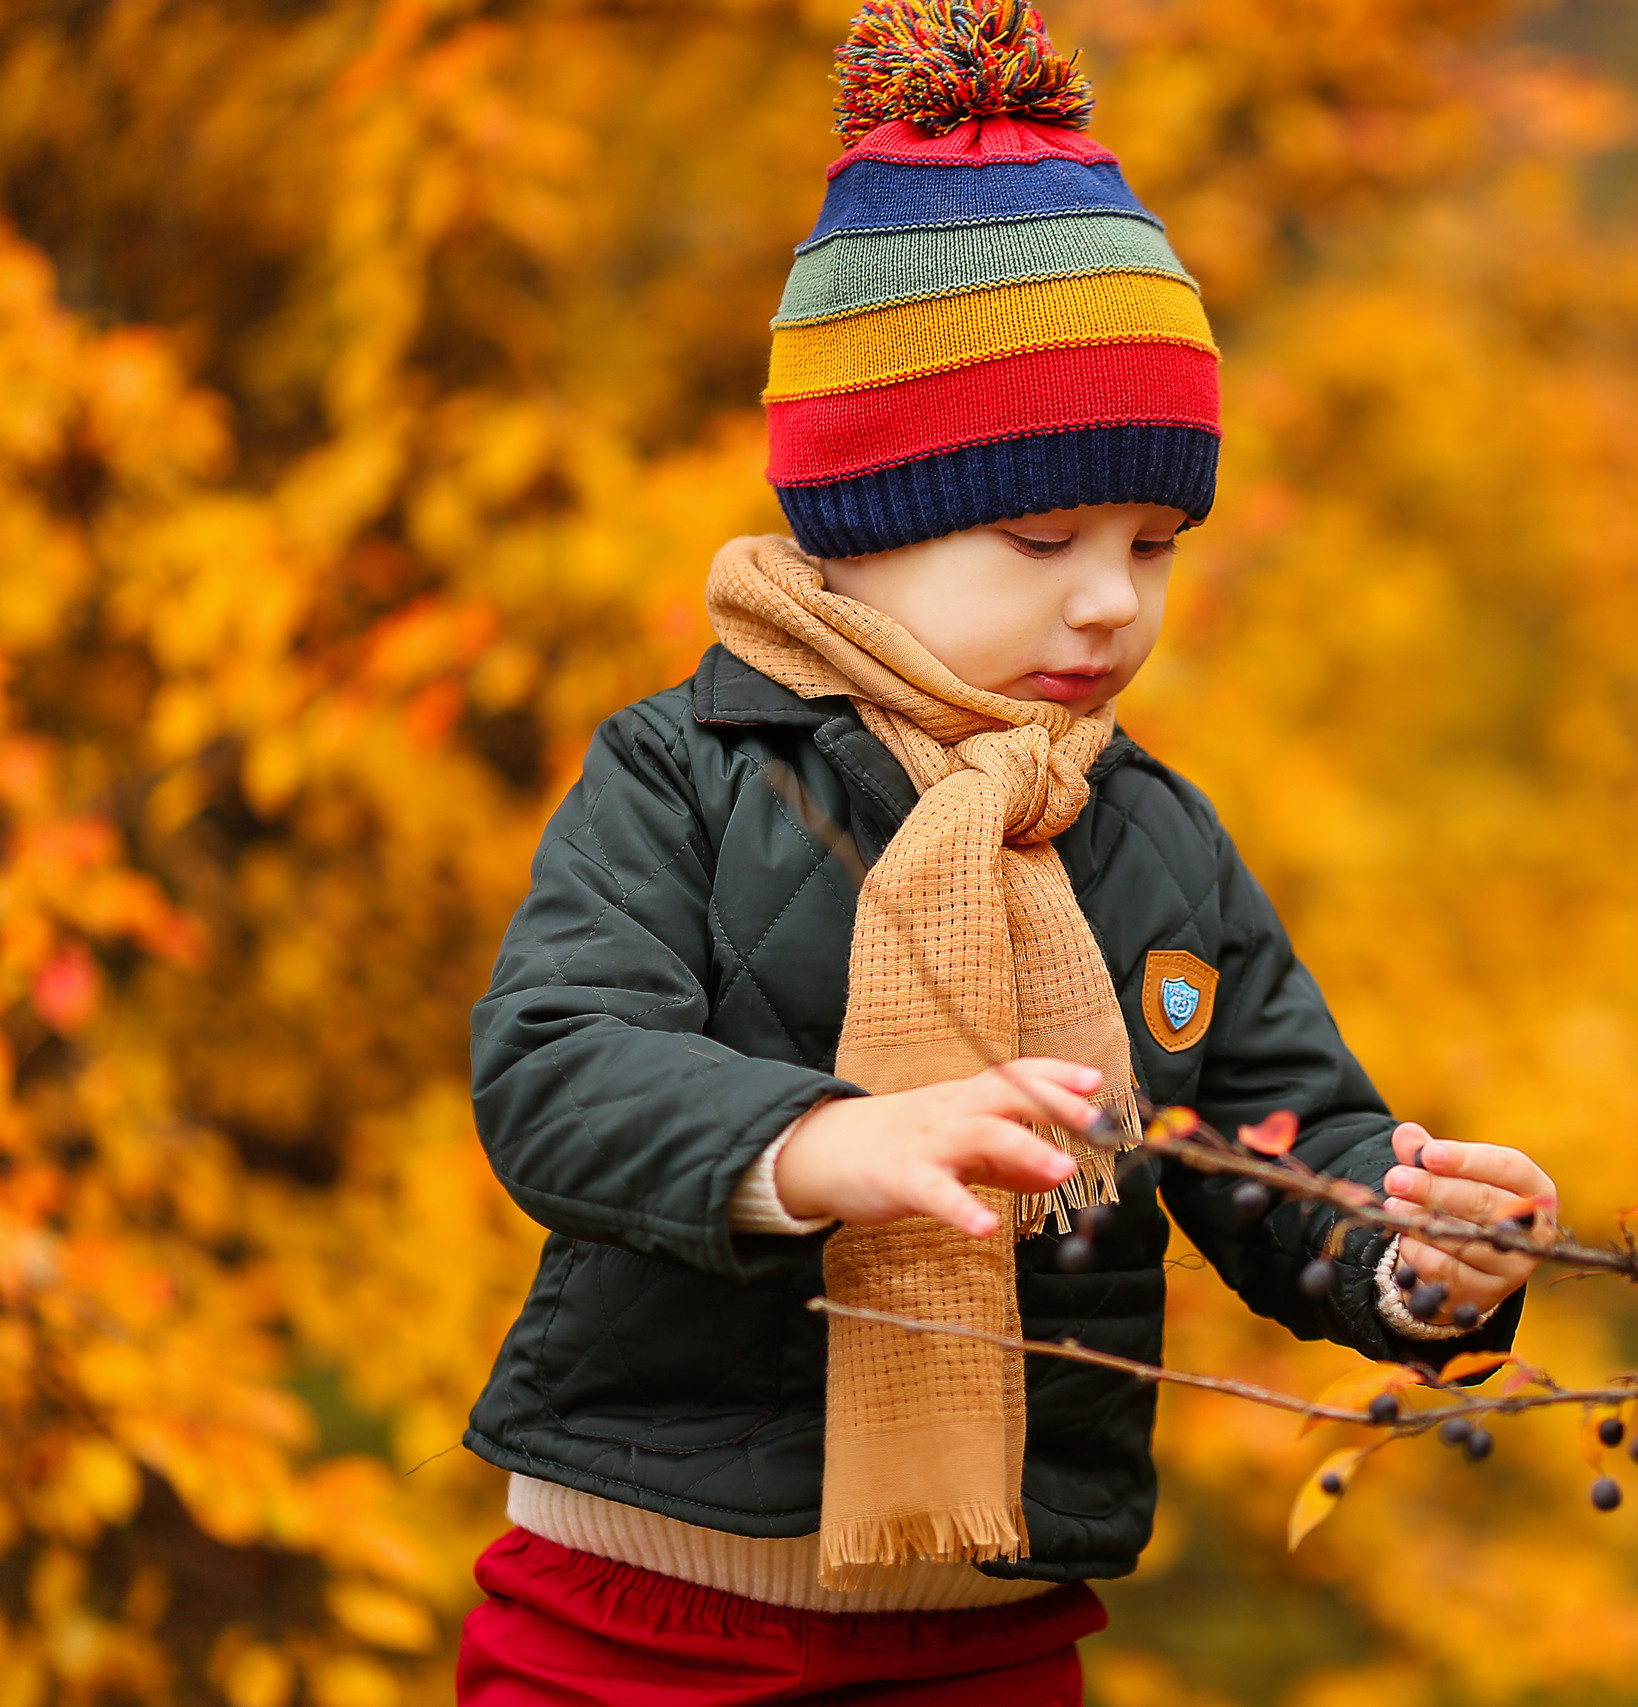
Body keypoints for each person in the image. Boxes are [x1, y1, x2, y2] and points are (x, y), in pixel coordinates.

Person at [451, 2, 1555, 1701]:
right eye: (1042, 536)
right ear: (863, 520)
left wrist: (1414, 1255)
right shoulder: (687, 775)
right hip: (637, 1605)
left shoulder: (1146, 839)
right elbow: (556, 1072)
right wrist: (822, 1145)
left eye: (1153, 544)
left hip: (992, 1625)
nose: (1108, 599)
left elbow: (1272, 1136)